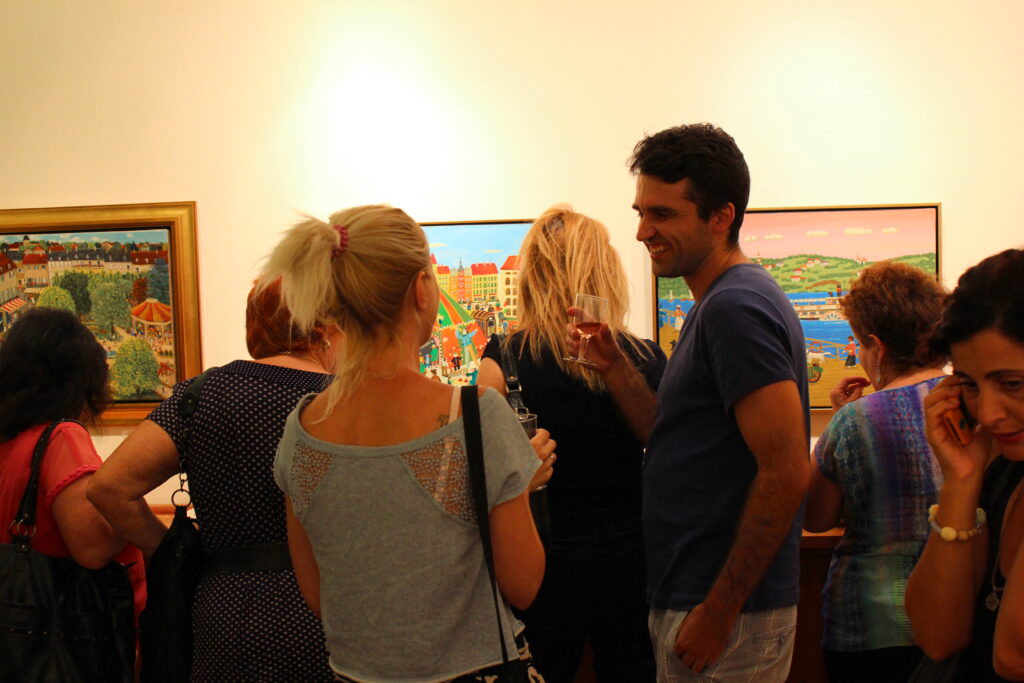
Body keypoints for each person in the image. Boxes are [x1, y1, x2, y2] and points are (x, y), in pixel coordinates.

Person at [262, 204, 553, 682]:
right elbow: (524, 583)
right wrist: (522, 484)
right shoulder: (476, 415)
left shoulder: (303, 428)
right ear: (421, 288)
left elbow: (318, 595)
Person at [573, 123, 811, 681]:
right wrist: (614, 367)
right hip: (700, 601)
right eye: (641, 212)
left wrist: (720, 611)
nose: (642, 232)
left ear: (722, 216)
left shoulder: (735, 309)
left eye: (662, 214)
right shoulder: (718, 305)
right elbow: (670, 436)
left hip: (724, 615)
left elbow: (786, 470)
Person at [87, 280, 335, 682]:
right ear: (324, 327)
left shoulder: (203, 395)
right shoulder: (343, 400)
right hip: (325, 607)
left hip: (223, 612)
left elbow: (108, 486)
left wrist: (171, 550)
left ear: (254, 326)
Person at [478, 205, 667, 682]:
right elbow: (664, 445)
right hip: (632, 547)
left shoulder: (502, 360)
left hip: (543, 549)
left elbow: (478, 475)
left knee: (543, 669)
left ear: (534, 274)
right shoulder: (642, 357)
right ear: (602, 269)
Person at [804, 261, 948, 682]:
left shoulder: (856, 420)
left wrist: (839, 418)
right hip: (955, 615)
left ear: (877, 346)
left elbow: (816, 517)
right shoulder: (968, 402)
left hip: (870, 624)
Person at [906, 248, 1024, 682]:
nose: (988, 414)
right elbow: (938, 637)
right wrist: (960, 479)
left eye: (1012, 383)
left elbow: (1012, 656)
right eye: (970, 386)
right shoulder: (1002, 466)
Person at [0, 308, 146, 621]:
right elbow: (94, 548)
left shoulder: (10, 443)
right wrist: (130, 500)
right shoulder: (60, 437)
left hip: (21, 626)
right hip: (66, 631)